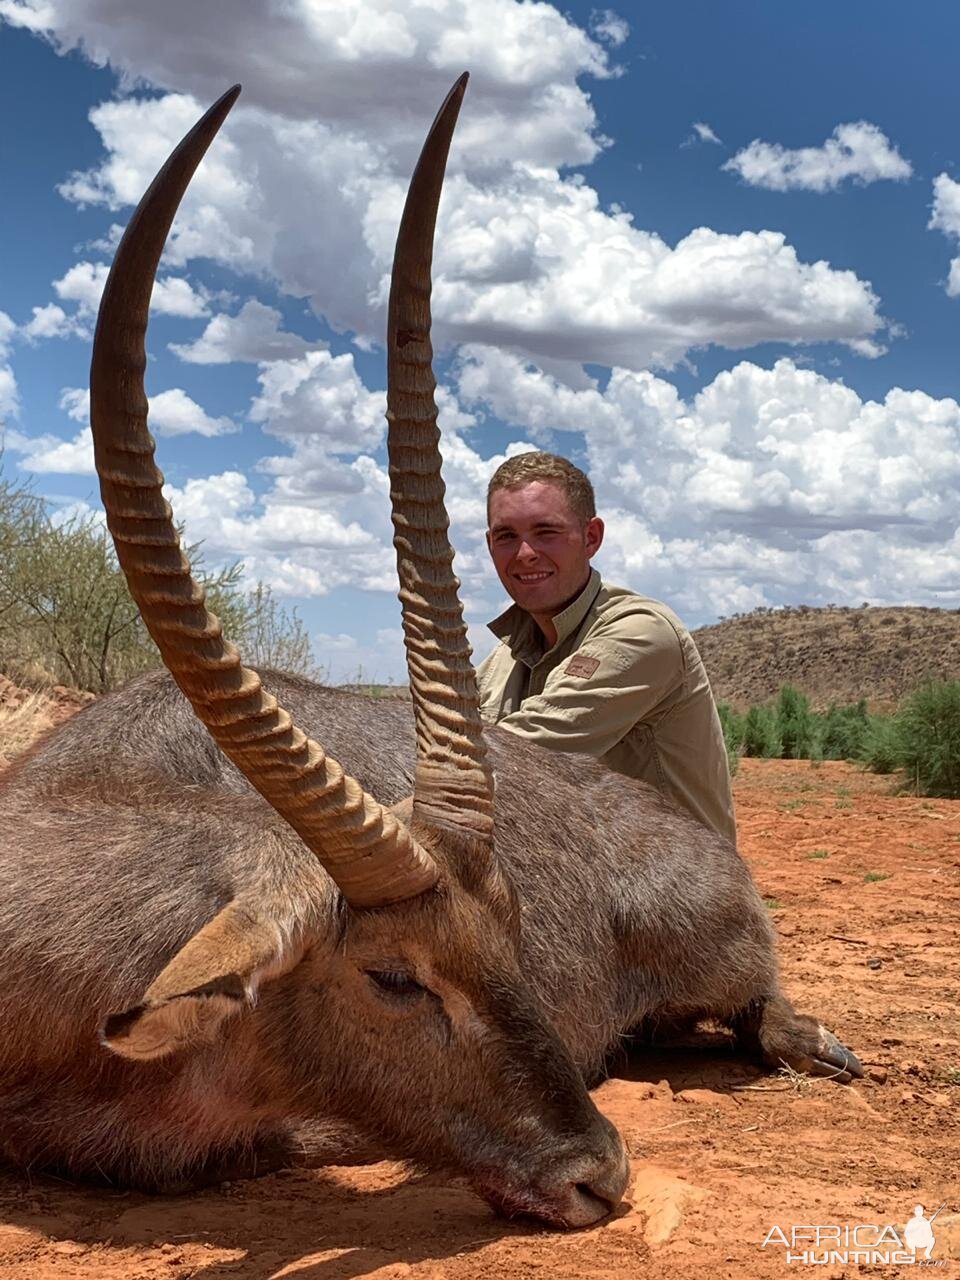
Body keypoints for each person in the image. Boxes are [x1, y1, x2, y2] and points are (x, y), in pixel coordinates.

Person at [475, 451, 736, 845]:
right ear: (490, 544)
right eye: (506, 536)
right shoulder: (500, 662)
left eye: (546, 531)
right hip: (580, 879)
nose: (525, 553)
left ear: (591, 537)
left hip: (673, 892)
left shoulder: (641, 632)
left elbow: (512, 756)